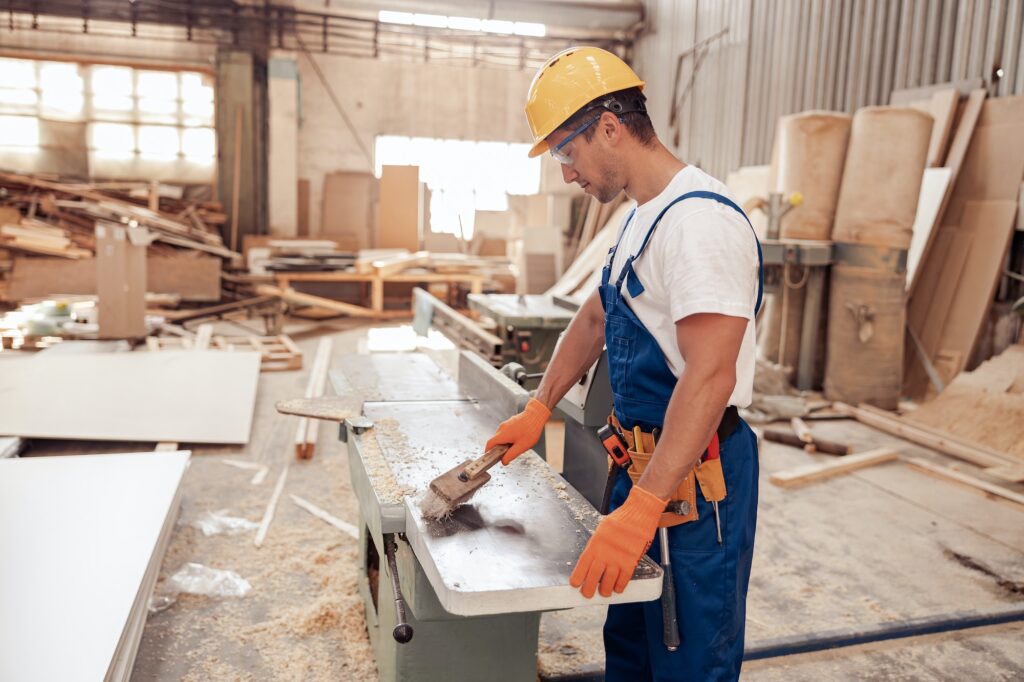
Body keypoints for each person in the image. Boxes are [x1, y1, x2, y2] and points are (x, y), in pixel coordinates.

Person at [484, 46, 763, 681]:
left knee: (687, 660)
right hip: (640, 470)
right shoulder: (642, 219)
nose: (566, 173)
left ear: (609, 126)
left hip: (694, 488)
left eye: (564, 151)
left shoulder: (700, 223)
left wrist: (644, 507)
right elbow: (592, 318)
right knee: (633, 654)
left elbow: (711, 375)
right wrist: (539, 406)